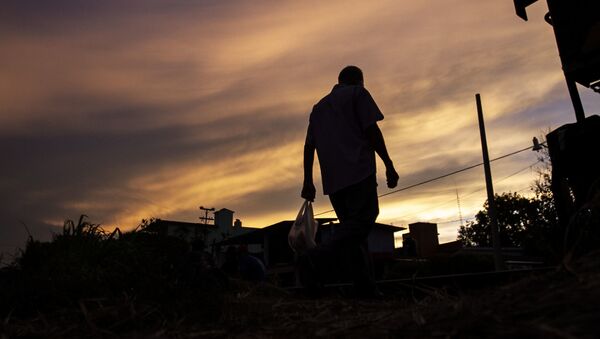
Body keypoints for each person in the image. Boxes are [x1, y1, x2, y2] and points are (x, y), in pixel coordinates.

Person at [300, 65, 399, 296]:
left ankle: (365, 289)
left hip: (334, 181)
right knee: (364, 220)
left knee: (354, 237)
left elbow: (308, 147)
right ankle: (317, 255)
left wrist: (308, 181)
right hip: (359, 172)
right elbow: (372, 130)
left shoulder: (319, 108)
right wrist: (389, 164)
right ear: (359, 81)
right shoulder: (357, 94)